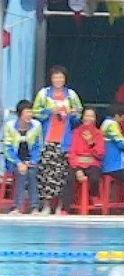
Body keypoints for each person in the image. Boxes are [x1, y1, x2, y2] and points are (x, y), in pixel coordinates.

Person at [33, 65, 83, 215]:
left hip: (65, 140)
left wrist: (72, 114)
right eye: (55, 77)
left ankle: (61, 206)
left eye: (61, 77)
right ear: (51, 78)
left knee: (62, 174)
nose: (58, 80)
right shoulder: (44, 93)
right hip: (48, 139)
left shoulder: (71, 95)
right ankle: (46, 206)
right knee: (46, 173)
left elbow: (79, 116)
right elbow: (35, 113)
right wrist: (49, 111)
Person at [61, 108, 105, 213]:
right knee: (69, 179)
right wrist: (77, 169)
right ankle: (65, 208)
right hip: (77, 163)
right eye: (86, 115)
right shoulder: (76, 132)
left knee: (94, 177)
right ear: (82, 117)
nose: (88, 118)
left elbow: (100, 154)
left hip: (93, 163)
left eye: (91, 116)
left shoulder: (98, 134)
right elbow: (72, 153)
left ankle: (94, 196)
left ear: (95, 119)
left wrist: (91, 142)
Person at [3, 100, 42, 214]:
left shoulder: (36, 125)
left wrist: (32, 161)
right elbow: (7, 148)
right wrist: (19, 163)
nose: (29, 115)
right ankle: (17, 207)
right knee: (21, 172)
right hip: (14, 161)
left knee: (32, 172)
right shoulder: (9, 126)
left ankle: (34, 207)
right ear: (20, 114)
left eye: (30, 112)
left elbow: (38, 146)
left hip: (30, 159)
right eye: (26, 112)